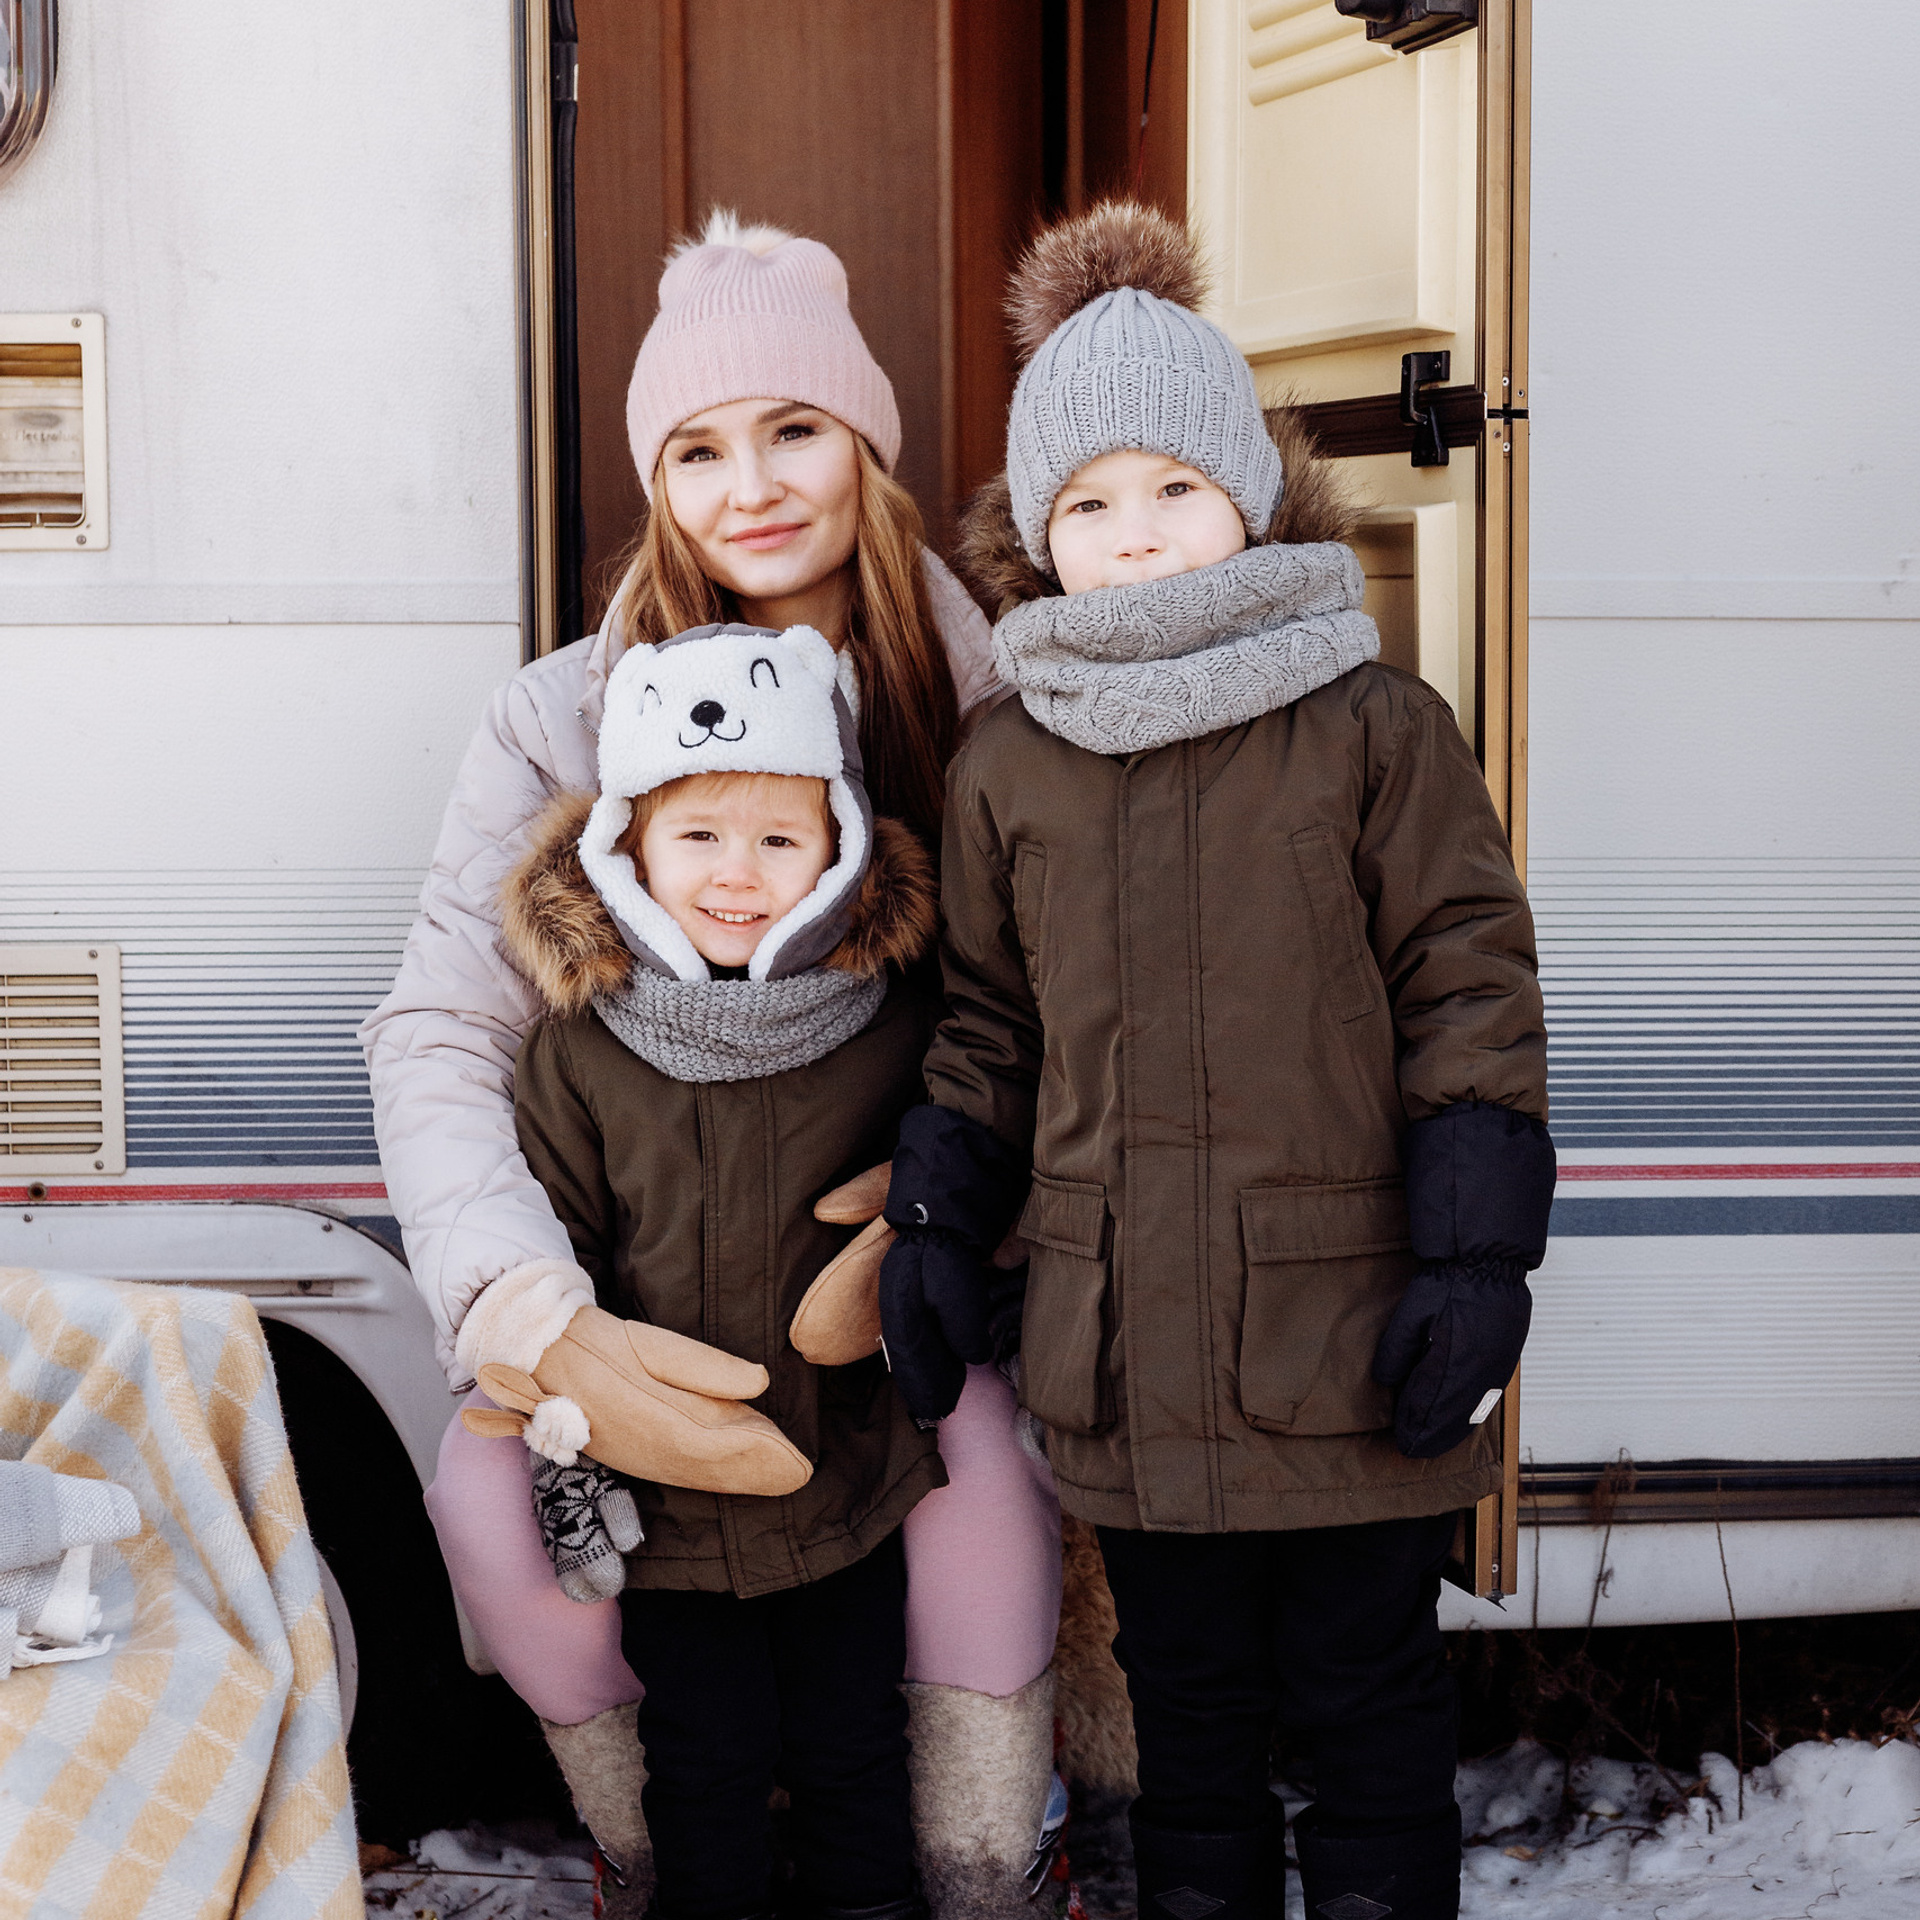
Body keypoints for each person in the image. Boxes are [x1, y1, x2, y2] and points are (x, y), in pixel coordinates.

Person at [361, 214, 1061, 1912]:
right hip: (648, 1263)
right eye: (696, 448)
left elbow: (1072, 1000)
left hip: (917, 1281)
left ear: (869, 446)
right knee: (486, 1485)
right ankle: (659, 1847)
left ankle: (981, 1858)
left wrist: (961, 1196)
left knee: (976, 1470)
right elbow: (445, 1029)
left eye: (794, 429)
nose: (749, 485)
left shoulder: (996, 703)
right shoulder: (557, 722)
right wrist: (529, 1303)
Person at [877, 202, 1557, 1920]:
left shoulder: (1371, 723)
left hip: (1345, 1338)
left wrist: (1478, 1254)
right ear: (1042, 535)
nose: (1140, 534)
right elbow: (987, 1024)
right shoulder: (1007, 762)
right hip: (1133, 1354)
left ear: (1248, 489)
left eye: (1175, 487)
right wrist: (941, 1224)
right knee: (1191, 1727)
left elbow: (1466, 983)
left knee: (1368, 1710)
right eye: (1090, 503)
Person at [482, 619, 941, 1920]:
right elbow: (557, 1245)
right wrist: (564, 1421)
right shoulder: (580, 1055)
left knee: (857, 1750)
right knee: (704, 1761)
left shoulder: (889, 1022)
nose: (739, 876)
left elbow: (949, 1184)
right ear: (629, 850)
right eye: (698, 839)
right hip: (672, 1505)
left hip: (849, 1479)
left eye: (779, 839)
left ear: (838, 844)